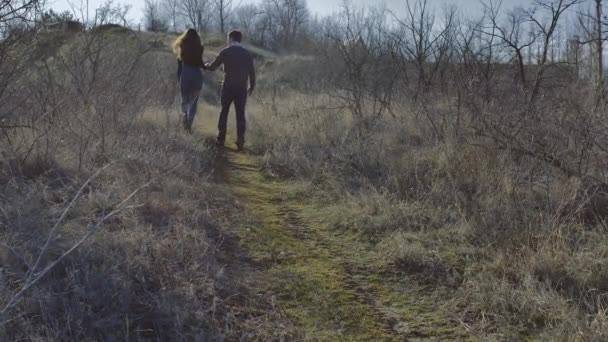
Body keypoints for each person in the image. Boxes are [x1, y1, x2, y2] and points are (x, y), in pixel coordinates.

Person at [204, 30, 256, 151]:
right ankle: (240, 141)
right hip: (242, 88)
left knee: (224, 112)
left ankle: (221, 139)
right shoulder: (247, 54)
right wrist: (251, 87)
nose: (227, 41)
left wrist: (206, 65)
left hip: (228, 86)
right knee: (240, 114)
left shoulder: (225, 51)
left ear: (231, 38)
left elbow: (213, 67)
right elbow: (252, 73)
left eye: (228, 38)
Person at [173, 28, 205, 132]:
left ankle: (184, 121)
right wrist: (206, 66)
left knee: (184, 101)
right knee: (193, 102)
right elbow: (200, 63)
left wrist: (179, 79)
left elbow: (179, 64)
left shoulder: (182, 45)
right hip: (197, 74)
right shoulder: (200, 47)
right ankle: (189, 125)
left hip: (185, 73)